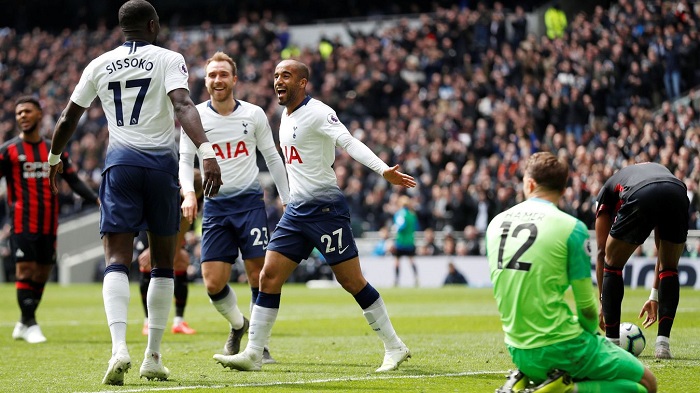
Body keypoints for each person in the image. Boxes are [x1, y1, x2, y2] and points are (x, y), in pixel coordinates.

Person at [47, 0, 222, 386]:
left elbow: (66, 118)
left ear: (122, 27)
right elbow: (183, 105)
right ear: (153, 24)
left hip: (120, 166)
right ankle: (153, 356)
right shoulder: (168, 58)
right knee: (163, 261)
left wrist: (54, 157)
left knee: (116, 258)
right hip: (160, 169)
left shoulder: (98, 64)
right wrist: (208, 153)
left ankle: (118, 349)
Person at [213, 59, 416, 373]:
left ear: (303, 82)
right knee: (268, 277)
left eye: (287, 76)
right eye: (277, 75)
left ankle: (394, 346)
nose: (279, 81)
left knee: (352, 281)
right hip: (296, 212)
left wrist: (382, 170)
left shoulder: (319, 112)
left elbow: (348, 141)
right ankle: (254, 353)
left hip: (325, 212)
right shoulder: (285, 114)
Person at [487, 152, 656, 393]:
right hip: (564, 346)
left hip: (518, 349)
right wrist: (592, 339)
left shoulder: (495, 224)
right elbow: (587, 309)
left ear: (529, 183)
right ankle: (565, 390)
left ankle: (535, 384)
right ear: (564, 189)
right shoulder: (571, 228)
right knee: (646, 384)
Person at [179, 51, 290, 364]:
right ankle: (239, 325)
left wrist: (286, 198)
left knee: (259, 275)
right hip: (214, 207)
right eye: (212, 75)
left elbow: (271, 157)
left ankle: (260, 344)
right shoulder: (194, 115)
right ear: (206, 80)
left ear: (234, 79)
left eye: (223, 74)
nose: (217, 80)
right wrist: (189, 193)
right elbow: (186, 160)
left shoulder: (253, 114)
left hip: (250, 204)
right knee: (212, 282)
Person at [3, 96, 98, 344]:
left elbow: (73, 179)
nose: (22, 116)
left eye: (27, 111)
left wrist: (95, 199)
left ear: (39, 114)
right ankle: (31, 323)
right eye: (18, 113)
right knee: (25, 271)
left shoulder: (52, 150)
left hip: (48, 222)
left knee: (42, 273)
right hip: (22, 222)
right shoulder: (9, 151)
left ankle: (24, 322)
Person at [595, 162, 688, 359]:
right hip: (678, 191)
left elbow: (602, 252)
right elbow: (661, 250)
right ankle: (663, 345)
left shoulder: (608, 188)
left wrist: (603, 300)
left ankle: (612, 343)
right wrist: (654, 294)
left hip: (640, 193)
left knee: (612, 264)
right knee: (670, 268)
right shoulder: (657, 170)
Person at [136, 168, 203, 336]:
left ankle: (179, 322)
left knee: (181, 260)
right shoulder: (167, 191)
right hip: (149, 228)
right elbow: (153, 217)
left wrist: (176, 248)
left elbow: (187, 222)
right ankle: (148, 321)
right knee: (148, 263)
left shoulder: (197, 197)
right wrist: (152, 249)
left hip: (174, 230)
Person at [392, 195, 419, 287]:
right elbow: (416, 227)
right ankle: (416, 278)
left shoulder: (399, 214)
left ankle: (396, 280)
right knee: (411, 260)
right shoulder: (412, 215)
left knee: (397, 261)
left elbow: (400, 226)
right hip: (410, 241)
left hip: (401, 241)